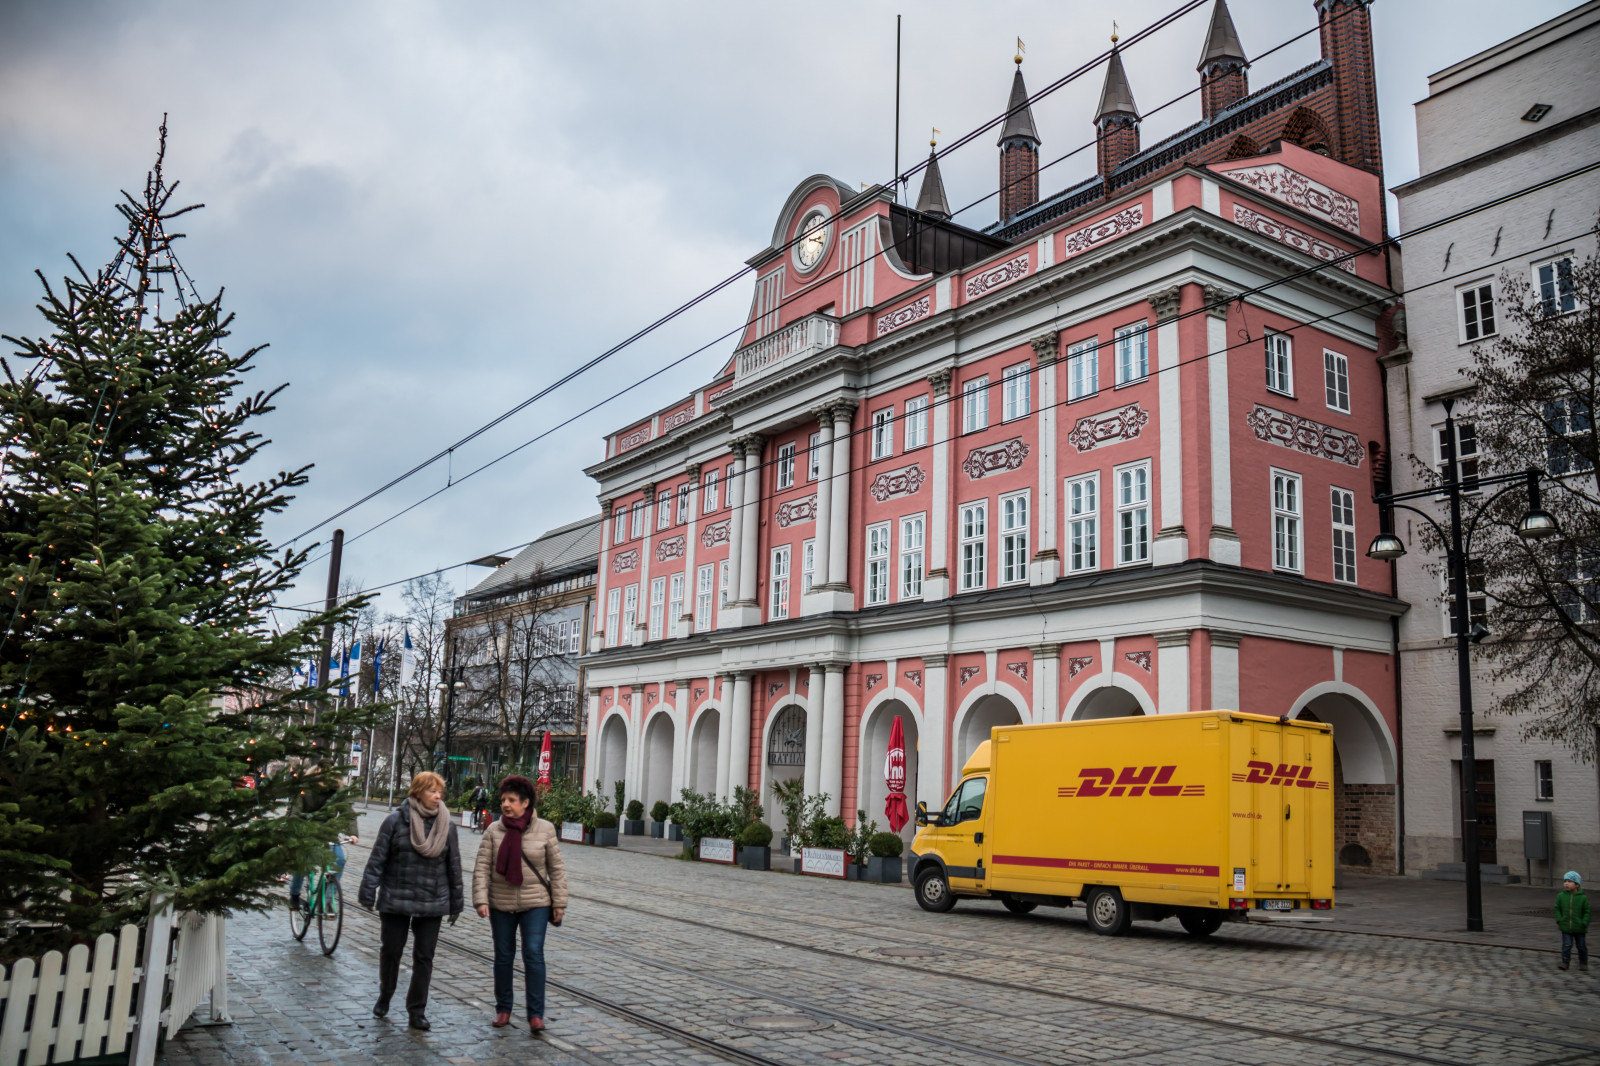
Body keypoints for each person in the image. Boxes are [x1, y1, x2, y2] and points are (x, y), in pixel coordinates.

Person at [358, 771, 463, 1030]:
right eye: (432, 791)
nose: (438, 796)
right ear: (417, 792)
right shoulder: (395, 821)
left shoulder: (447, 825)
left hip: (432, 901)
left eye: (440, 791)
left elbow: (454, 867)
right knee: (391, 952)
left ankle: (417, 1010)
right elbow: (377, 859)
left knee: (424, 957)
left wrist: (457, 902)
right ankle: (386, 994)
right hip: (397, 898)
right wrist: (368, 890)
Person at [472, 774, 567, 1034]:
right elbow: (481, 868)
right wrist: (480, 899)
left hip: (535, 903)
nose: (505, 804)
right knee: (503, 956)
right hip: (501, 903)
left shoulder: (545, 829)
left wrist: (559, 903)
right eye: (503, 799)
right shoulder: (493, 830)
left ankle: (535, 1015)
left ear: (525, 803)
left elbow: (556, 870)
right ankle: (503, 1009)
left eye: (511, 800)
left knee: (533, 954)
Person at [289, 771, 357, 913]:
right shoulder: (305, 788)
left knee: (339, 860)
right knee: (303, 864)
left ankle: (326, 900)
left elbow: (348, 813)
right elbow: (294, 811)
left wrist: (352, 834)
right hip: (306, 831)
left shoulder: (338, 791)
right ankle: (294, 895)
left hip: (328, 834)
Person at [1556, 870, 1589, 972]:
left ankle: (1583, 962)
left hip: (1579, 927)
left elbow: (1587, 912)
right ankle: (1565, 962)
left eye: (1570, 881)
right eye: (1565, 881)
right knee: (1566, 945)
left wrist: (1584, 922)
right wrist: (1559, 919)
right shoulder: (1561, 896)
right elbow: (1557, 908)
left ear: (1577, 885)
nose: (1566, 883)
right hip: (1566, 926)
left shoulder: (1583, 898)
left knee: (1581, 946)